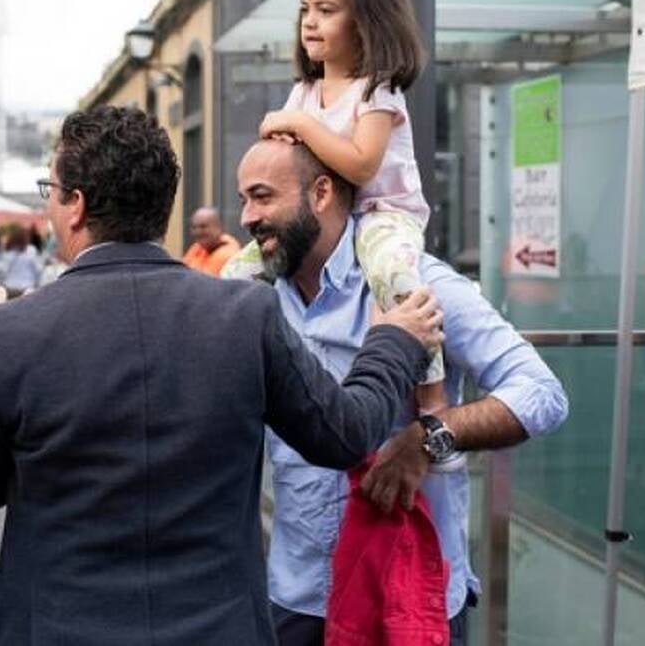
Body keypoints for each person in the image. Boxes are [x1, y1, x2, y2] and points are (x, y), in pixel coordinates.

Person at [0, 105, 444, 645]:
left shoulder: (9, 333)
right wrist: (393, 341)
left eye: (51, 191)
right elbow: (345, 434)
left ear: (76, 206)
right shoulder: (244, 316)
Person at [235, 137, 568, 645]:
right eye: (243, 200)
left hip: (408, 602)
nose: (247, 217)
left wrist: (428, 438)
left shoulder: (415, 282)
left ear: (321, 193)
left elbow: (542, 393)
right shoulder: (254, 301)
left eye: (262, 197)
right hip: (296, 598)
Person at [258, 0, 446, 414]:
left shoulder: (377, 90)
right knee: (238, 272)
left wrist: (299, 126)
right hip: (329, 219)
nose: (310, 22)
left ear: (366, 24)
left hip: (383, 213)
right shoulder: (304, 92)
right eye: (305, 9)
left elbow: (362, 165)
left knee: (396, 275)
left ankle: (432, 393)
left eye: (326, 10)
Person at [181, 206, 241, 276]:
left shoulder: (229, 253)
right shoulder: (197, 247)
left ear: (218, 227)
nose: (197, 232)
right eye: (194, 227)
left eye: (203, 226)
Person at [0, 224, 42, 298]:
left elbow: (2, 270)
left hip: (10, 287)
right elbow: (38, 269)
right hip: (27, 288)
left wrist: (1, 283)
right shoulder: (31, 250)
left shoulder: (8, 251)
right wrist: (37, 284)